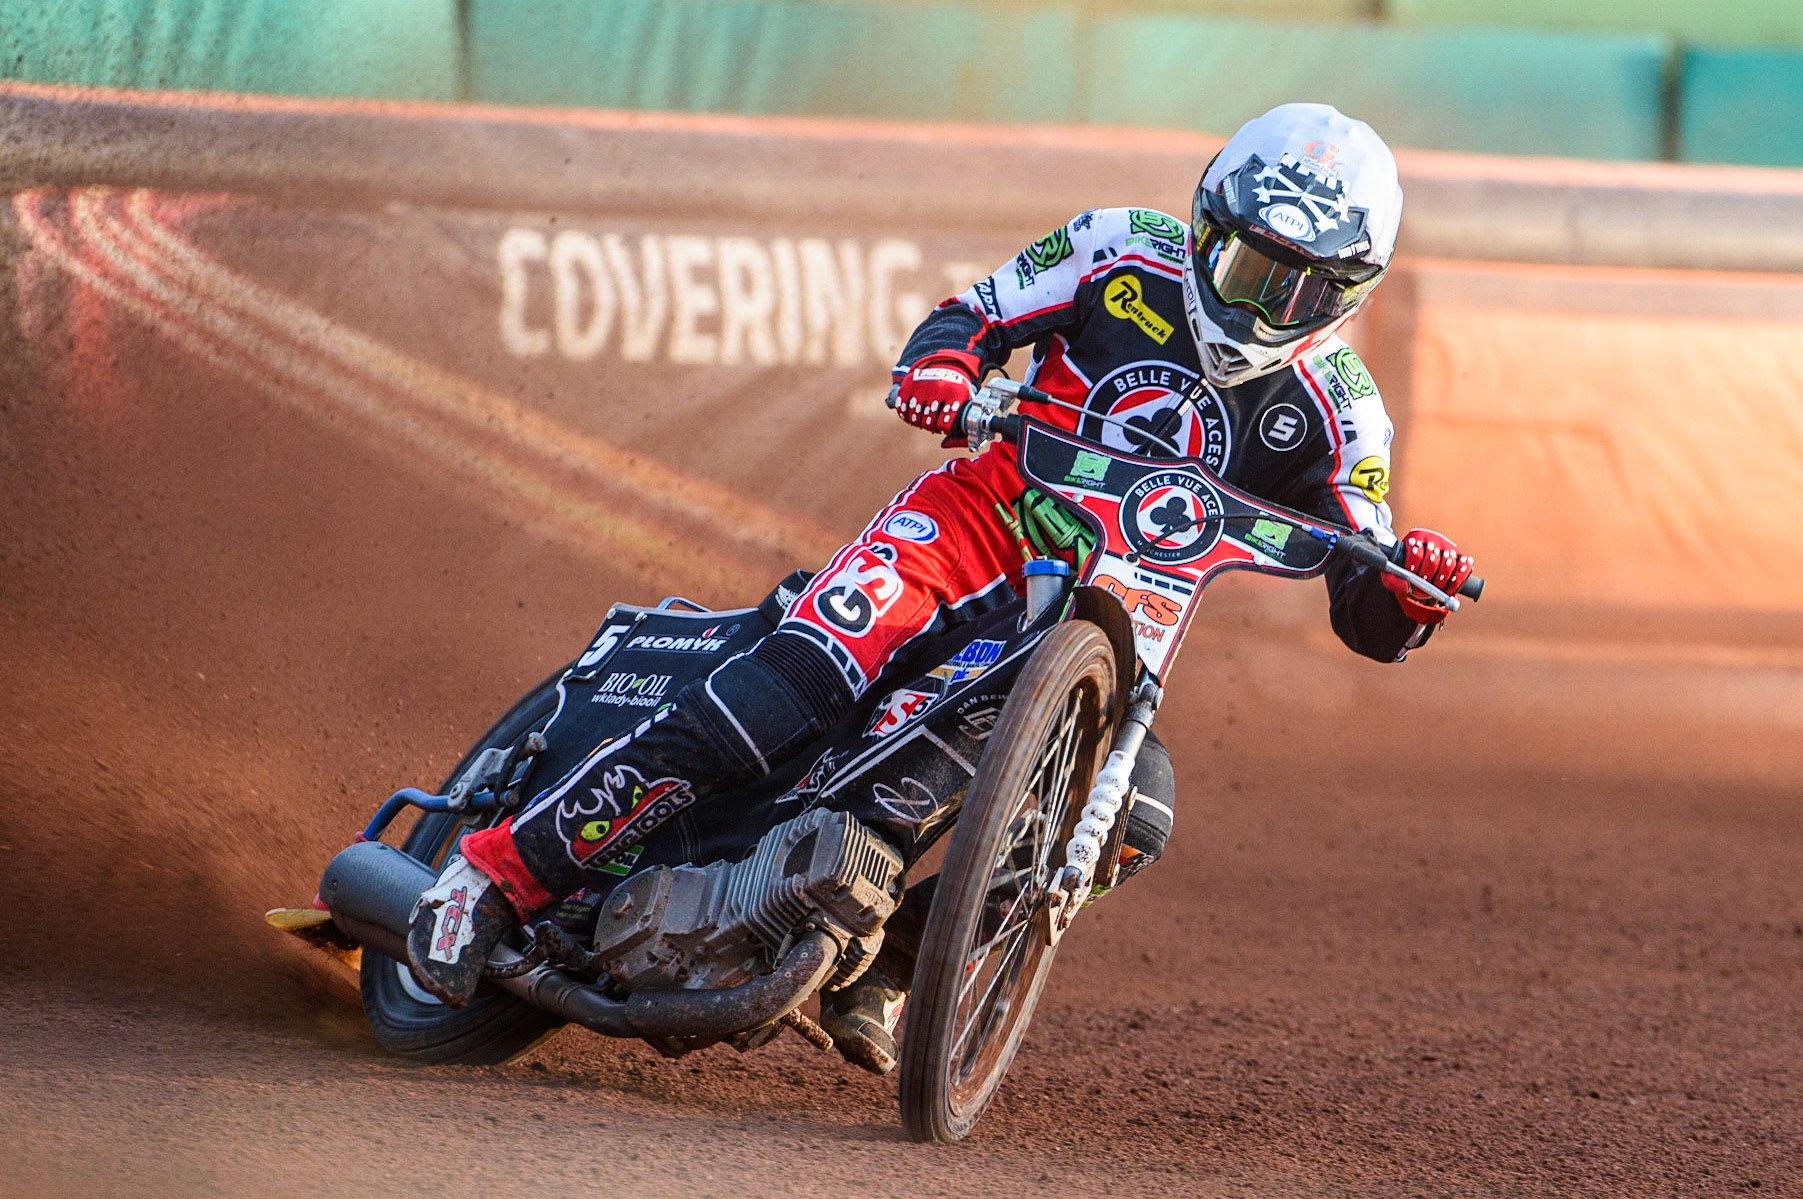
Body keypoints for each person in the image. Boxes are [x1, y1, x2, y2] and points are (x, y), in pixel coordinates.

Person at [406, 102, 1475, 1073]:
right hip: (970, 528)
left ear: (1351, 295)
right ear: (1204, 229)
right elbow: (970, 316)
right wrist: (945, 372)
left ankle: (898, 966)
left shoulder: (1343, 411)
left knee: (1134, 810)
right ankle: (495, 873)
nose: (1271, 305)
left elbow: (1367, 593)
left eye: (1306, 289)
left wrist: (1411, 592)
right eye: (1253, 269)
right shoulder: (1118, 250)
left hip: (1119, 635)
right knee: (794, 684)